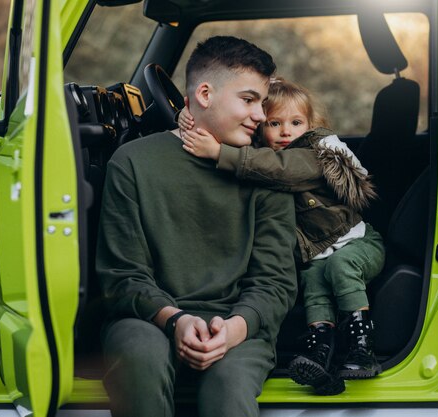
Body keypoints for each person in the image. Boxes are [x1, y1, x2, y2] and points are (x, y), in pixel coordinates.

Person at [95, 36, 298, 417]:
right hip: (149, 319)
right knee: (140, 353)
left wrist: (234, 329)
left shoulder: (266, 171)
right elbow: (122, 274)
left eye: (262, 103)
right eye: (249, 100)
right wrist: (176, 321)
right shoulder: (132, 162)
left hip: (239, 324)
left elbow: (275, 282)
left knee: (229, 387)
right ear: (204, 93)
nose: (259, 116)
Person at [179, 77, 386, 395]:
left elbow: (278, 169)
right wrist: (188, 115)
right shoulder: (263, 154)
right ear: (261, 125)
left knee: (340, 268)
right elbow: (255, 156)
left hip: (357, 243)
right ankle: (322, 350)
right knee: (314, 281)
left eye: (296, 122)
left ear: (311, 124)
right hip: (320, 253)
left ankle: (361, 347)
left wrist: (219, 152)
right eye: (275, 123)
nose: (286, 131)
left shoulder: (315, 153)